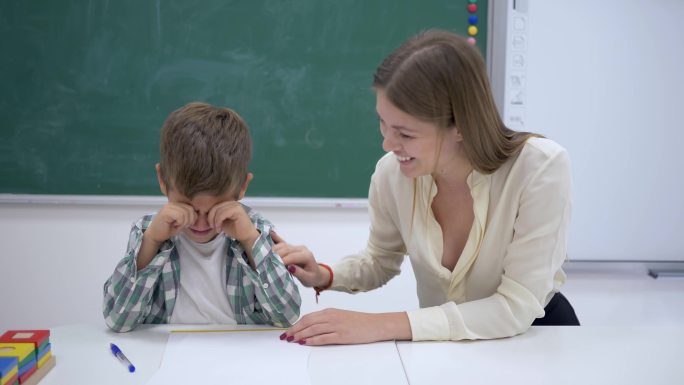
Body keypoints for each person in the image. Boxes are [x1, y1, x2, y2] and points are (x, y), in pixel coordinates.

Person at [274, 29, 579, 345]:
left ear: (461, 125)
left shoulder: (540, 168)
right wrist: (325, 274)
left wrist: (380, 325)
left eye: (405, 134)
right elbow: (381, 260)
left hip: (537, 341)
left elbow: (516, 306)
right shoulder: (391, 175)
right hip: (446, 352)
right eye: (383, 123)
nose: (387, 144)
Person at [103, 102, 301, 332]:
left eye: (216, 208)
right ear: (162, 181)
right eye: (187, 206)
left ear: (243, 187)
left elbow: (287, 316)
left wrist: (250, 240)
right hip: (167, 357)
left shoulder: (255, 229)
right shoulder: (147, 230)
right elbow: (117, 320)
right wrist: (151, 242)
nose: (200, 222)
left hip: (242, 358)